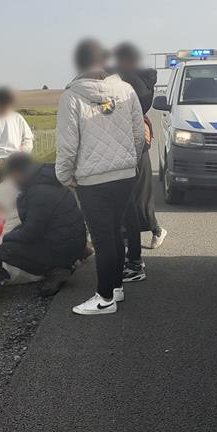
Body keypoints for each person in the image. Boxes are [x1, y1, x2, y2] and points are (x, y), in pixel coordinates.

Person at [56, 39, 145, 315]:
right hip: (125, 175)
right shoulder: (126, 89)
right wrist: (130, 162)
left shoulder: (72, 96)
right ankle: (116, 287)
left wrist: (65, 176)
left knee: (103, 238)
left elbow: (67, 145)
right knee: (116, 232)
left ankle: (104, 297)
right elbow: (138, 135)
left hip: (92, 179)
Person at [112, 42, 167, 287]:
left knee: (135, 201)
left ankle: (138, 252)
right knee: (134, 201)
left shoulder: (133, 81)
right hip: (129, 144)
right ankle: (133, 254)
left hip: (133, 145)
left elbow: (136, 104)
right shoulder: (136, 78)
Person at [0, 153, 88, 295]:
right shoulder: (47, 180)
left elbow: (31, 232)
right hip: (73, 240)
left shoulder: (37, 191)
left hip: (64, 246)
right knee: (15, 236)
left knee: (6, 250)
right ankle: (67, 261)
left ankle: (56, 270)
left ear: (17, 173)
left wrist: (7, 238)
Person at [0, 87, 34, 182]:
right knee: (6, 190)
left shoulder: (18, 118)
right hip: (1, 162)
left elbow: (28, 137)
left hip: (18, 159)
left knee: (22, 189)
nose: (5, 106)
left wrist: (24, 151)